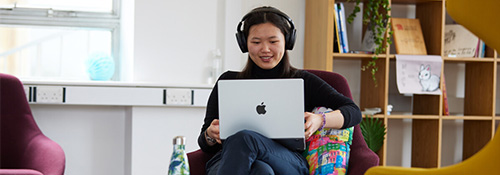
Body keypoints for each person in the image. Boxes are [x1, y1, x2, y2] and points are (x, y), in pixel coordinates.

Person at [197, 6, 362, 175]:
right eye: (256, 42)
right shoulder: (228, 81)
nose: (265, 49)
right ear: (244, 44)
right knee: (261, 170)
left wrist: (320, 120)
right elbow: (204, 143)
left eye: (273, 41)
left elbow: (354, 112)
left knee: (245, 138)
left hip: (286, 160)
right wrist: (210, 134)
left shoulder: (303, 81)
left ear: (287, 41)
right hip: (230, 159)